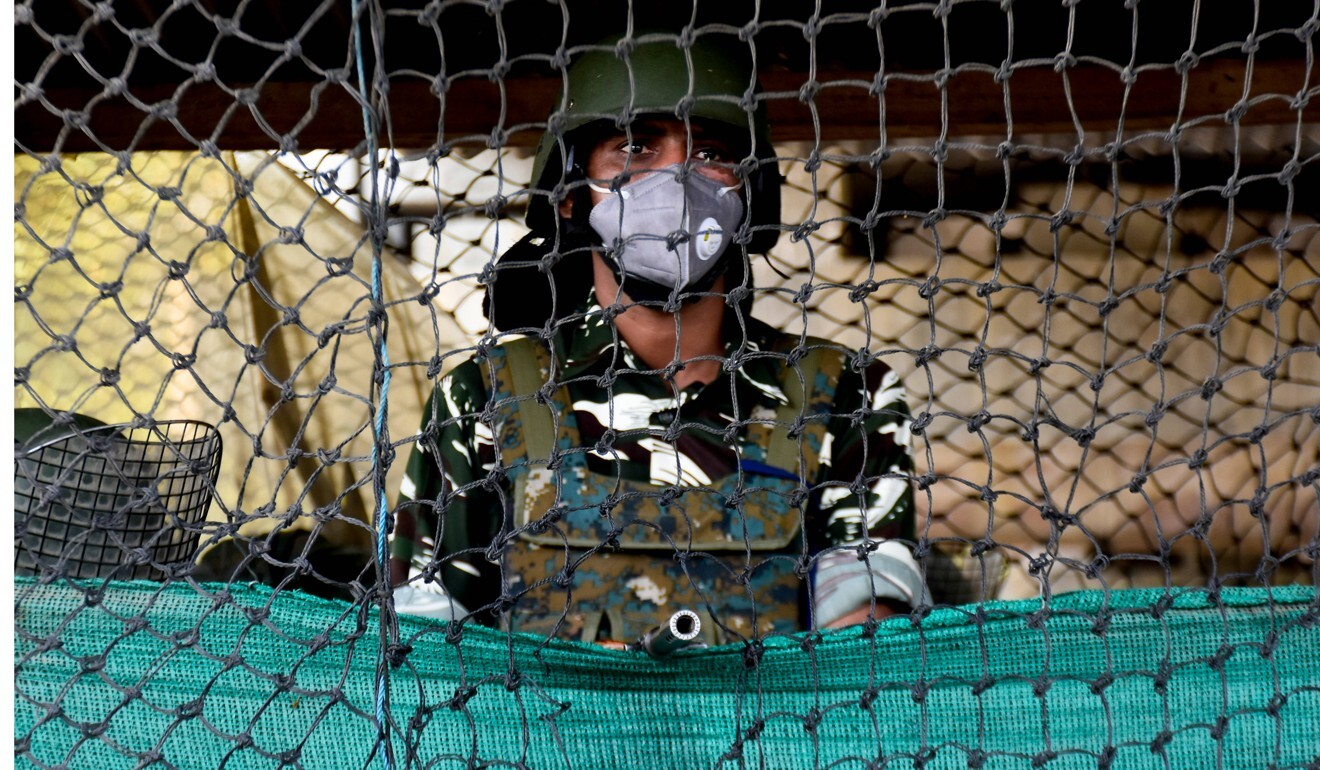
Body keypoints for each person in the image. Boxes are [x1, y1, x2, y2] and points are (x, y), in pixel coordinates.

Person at [391, 34, 927, 645]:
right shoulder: (484, 397)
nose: (676, 178)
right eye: (636, 148)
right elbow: (430, 650)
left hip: (774, 738)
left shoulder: (846, 394)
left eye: (711, 152)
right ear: (569, 195)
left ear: (749, 196)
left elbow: (862, 654)